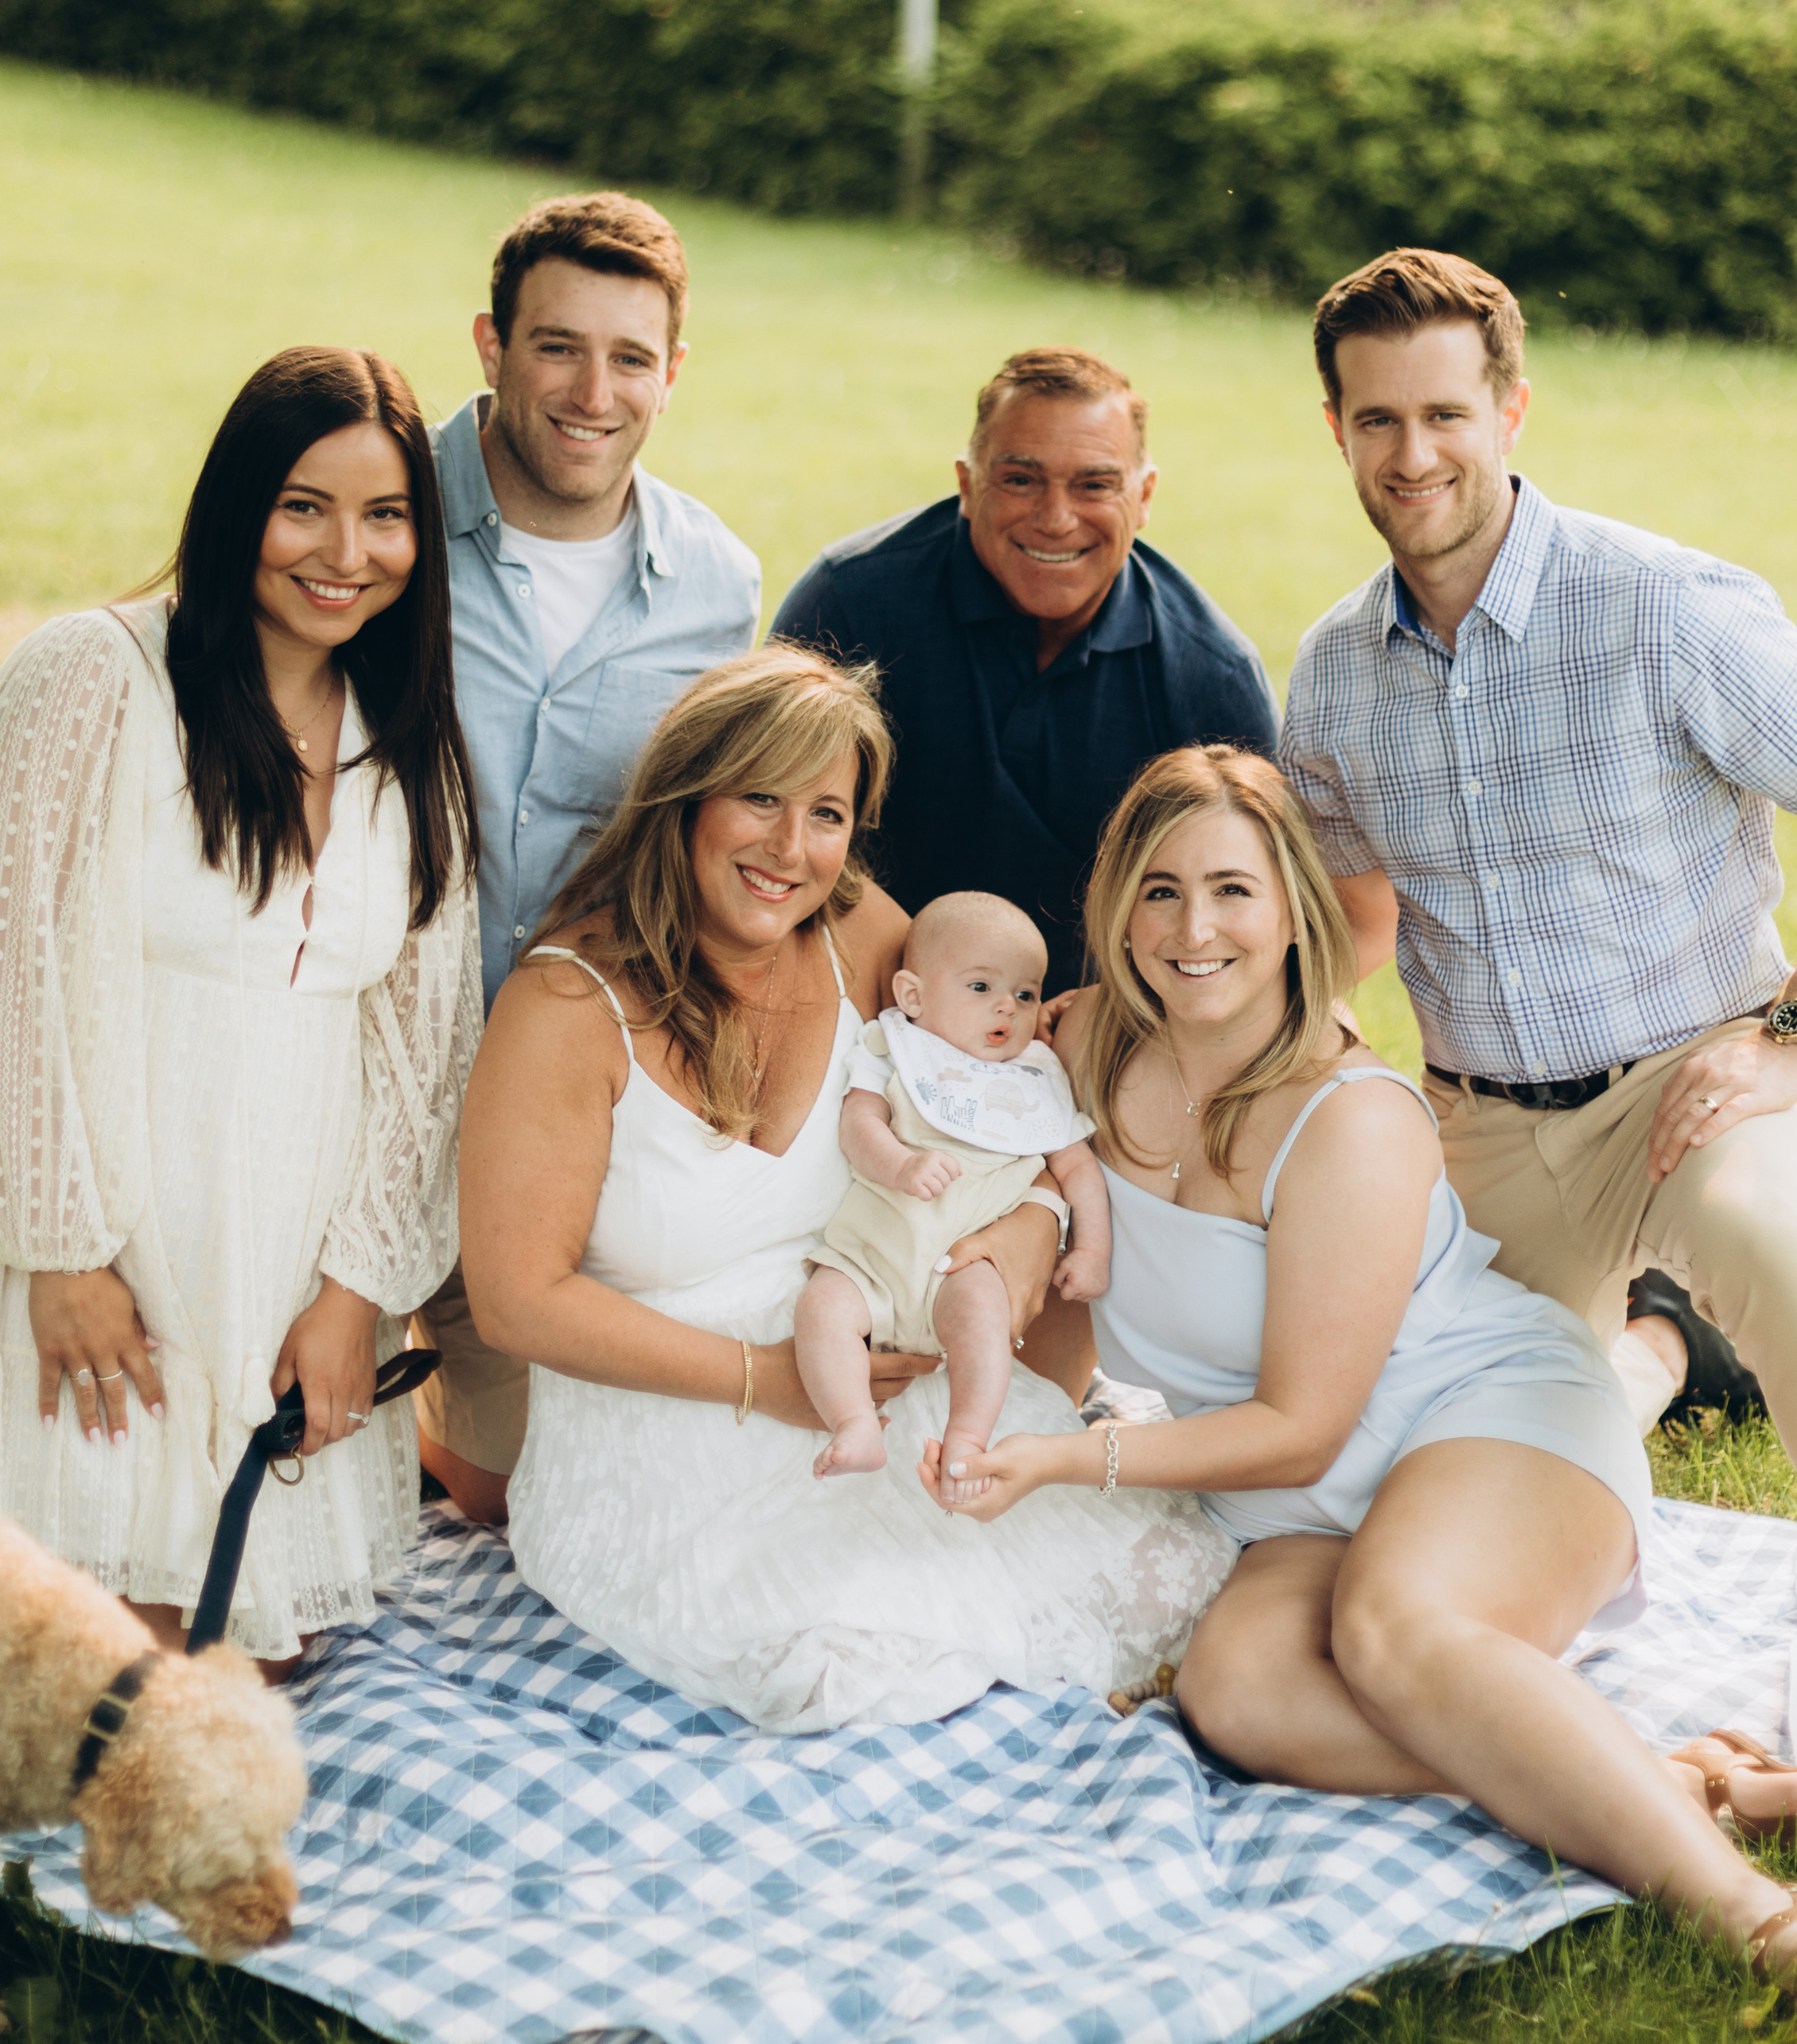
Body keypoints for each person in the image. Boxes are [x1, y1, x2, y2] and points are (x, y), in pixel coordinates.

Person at [929, 748, 1797, 2044]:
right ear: (1113, 905)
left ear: (1292, 913)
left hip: (1479, 1423)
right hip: (1287, 1509)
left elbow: (1301, 1424)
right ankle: (1671, 1782)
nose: (1193, 930)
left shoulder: (1350, 1114)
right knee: (1242, 1695)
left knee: (1394, 1629)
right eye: (1159, 891)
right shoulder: (1079, 1049)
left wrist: (1061, 1466)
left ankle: (1751, 1911)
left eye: (1232, 890)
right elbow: (1066, 1313)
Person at [1274, 245, 1797, 1849]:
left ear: (1509, 407)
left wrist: (1791, 1033)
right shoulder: (1331, 678)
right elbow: (1355, 924)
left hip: (1690, 1079)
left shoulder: (1658, 608)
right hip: (1483, 1130)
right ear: (1335, 429)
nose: (1411, 455)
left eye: (1442, 413)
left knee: (1756, 1241)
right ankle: (1654, 1357)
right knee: (1426, 1432)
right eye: (1376, 421)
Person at [453, 643, 1235, 1734]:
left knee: (1170, 1574)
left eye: (828, 815)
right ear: (684, 801)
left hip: (892, 1373)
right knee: (850, 1668)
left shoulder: (859, 935)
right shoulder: (564, 1006)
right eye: (758, 800)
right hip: (670, 1435)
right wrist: (761, 1379)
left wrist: (1029, 1226)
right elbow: (518, 1300)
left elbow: (1007, 1073)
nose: (791, 848)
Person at [0, 349, 480, 1663]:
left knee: (253, 1665)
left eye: (386, 515)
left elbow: (422, 1049)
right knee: (85, 1670)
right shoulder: (91, 680)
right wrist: (61, 1251)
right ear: (237, 511)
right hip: (94, 1255)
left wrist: (358, 1291)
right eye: (303, 506)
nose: (347, 552)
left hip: (283, 1273)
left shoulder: (409, 743)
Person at [418, 192, 760, 1514]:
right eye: (557, 346)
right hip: (358, 1054)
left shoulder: (718, 584)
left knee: (510, 1501)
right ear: (491, 347)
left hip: (558, 1100)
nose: (592, 391)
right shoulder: (382, 525)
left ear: (673, 376)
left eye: (631, 358)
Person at [771, 346, 1278, 996]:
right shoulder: (850, 603)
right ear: (967, 483)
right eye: (1019, 480)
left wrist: (1094, 1021)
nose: (1056, 518)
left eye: (1094, 484)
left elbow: (1261, 919)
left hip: (1102, 1024)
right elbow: (762, 829)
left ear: (1144, 495)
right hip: (862, 988)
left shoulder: (1213, 675)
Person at [795, 890, 1110, 1484]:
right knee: (824, 1308)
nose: (1007, 1010)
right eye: (981, 988)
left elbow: (1079, 1171)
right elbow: (859, 1124)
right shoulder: (895, 1049)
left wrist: (1091, 1251)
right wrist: (899, 1165)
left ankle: (967, 1437)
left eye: (1025, 994)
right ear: (913, 995)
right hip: (871, 1260)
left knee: (984, 1325)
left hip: (964, 1268)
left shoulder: (1035, 1078)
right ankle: (854, 1421)